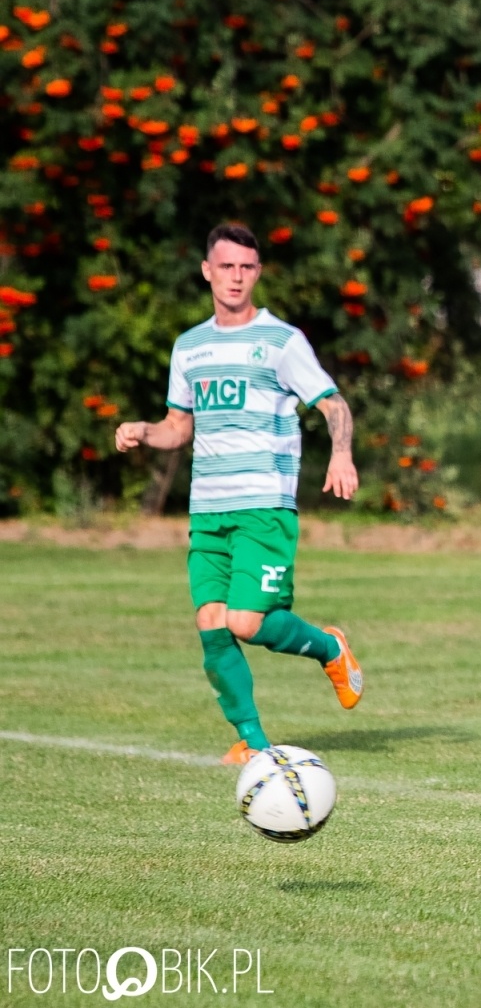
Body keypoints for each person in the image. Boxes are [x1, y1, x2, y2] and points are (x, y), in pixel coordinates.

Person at [114, 223, 364, 765]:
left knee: (246, 623)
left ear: (258, 273)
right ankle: (253, 743)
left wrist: (341, 454)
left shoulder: (281, 341)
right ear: (207, 270)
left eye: (246, 267)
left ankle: (330, 647)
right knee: (211, 623)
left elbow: (333, 403)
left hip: (263, 506)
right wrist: (144, 431)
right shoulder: (190, 347)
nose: (236, 277)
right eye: (226, 266)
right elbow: (178, 427)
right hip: (207, 512)